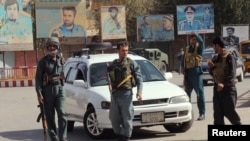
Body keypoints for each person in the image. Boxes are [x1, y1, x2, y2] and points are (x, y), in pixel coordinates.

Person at [107, 41, 143, 141]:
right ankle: (120, 135)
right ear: (118, 50)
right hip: (114, 94)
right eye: (123, 50)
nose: (125, 52)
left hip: (126, 94)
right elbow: (109, 77)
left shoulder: (131, 63)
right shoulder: (113, 64)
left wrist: (139, 92)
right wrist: (109, 85)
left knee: (127, 117)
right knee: (114, 119)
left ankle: (126, 137)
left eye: (126, 50)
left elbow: (139, 78)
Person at [35, 37, 67, 141]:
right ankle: (54, 138)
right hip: (48, 91)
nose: (52, 47)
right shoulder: (43, 62)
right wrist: (39, 94)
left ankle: (63, 138)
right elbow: (38, 79)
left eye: (54, 45)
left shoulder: (62, 59)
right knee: (50, 117)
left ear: (58, 47)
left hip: (60, 89)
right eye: (50, 46)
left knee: (62, 113)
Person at [208, 37, 241, 125]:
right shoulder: (216, 57)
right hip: (217, 90)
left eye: (213, 46)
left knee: (230, 113)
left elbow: (232, 74)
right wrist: (211, 68)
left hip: (228, 90)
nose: (213, 48)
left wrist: (223, 83)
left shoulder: (229, 57)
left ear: (217, 45)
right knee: (218, 116)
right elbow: (213, 73)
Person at [182, 32, 206, 120]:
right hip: (188, 73)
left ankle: (202, 113)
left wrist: (196, 34)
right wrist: (182, 68)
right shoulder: (187, 48)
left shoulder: (199, 48)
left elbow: (202, 42)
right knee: (187, 95)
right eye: (191, 38)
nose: (193, 40)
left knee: (199, 93)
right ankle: (188, 114)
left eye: (194, 38)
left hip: (196, 73)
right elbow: (183, 59)